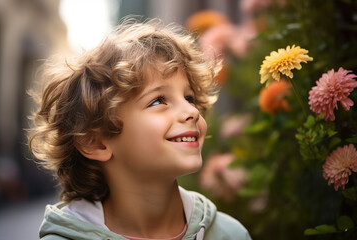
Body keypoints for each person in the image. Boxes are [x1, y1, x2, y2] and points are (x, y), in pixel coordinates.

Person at [28, 18, 252, 240]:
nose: (192, 112)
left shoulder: (231, 234)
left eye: (189, 98)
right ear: (95, 142)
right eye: (158, 101)